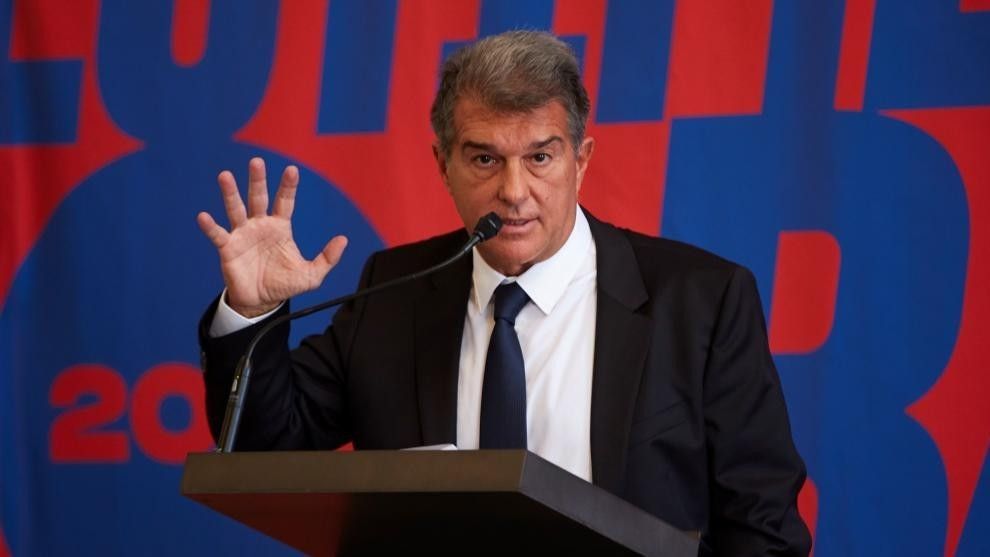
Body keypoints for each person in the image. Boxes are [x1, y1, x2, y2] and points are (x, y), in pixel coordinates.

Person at [196, 30, 811, 556]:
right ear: (443, 164)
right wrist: (253, 311)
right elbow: (262, 449)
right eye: (485, 160)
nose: (514, 192)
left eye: (540, 157)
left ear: (581, 161)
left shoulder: (701, 302)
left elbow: (763, 529)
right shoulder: (392, 293)